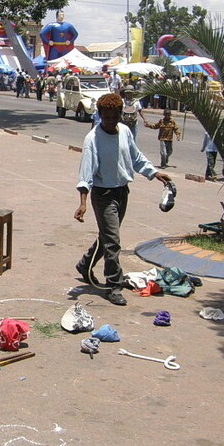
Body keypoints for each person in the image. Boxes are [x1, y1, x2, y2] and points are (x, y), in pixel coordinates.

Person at [74, 93, 171, 306]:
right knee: (113, 241)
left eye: (113, 117)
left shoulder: (125, 132)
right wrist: (83, 203)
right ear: (99, 116)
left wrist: (154, 173)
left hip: (122, 192)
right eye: (105, 117)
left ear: (120, 115)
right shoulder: (93, 139)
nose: (109, 121)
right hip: (103, 196)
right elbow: (86, 173)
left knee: (108, 238)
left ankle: (84, 264)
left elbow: (136, 158)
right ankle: (113, 285)